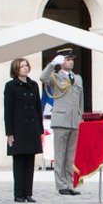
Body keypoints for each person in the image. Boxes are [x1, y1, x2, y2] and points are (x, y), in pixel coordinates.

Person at [41, 48, 83, 195]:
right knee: (60, 154)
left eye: (72, 59)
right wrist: (52, 63)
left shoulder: (77, 78)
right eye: (67, 59)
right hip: (60, 120)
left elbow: (80, 101)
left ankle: (70, 184)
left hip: (74, 121)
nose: (70, 62)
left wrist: (80, 118)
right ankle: (61, 185)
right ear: (61, 61)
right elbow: (42, 77)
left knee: (70, 155)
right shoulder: (55, 77)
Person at [4, 57, 43, 203]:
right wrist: (9, 133)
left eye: (26, 65)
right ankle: (18, 194)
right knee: (19, 162)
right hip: (18, 129)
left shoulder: (34, 85)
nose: (25, 68)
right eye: (22, 66)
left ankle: (28, 193)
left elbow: (38, 109)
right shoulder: (10, 86)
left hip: (31, 129)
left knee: (30, 162)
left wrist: (40, 129)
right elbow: (8, 111)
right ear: (16, 69)